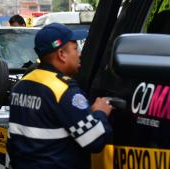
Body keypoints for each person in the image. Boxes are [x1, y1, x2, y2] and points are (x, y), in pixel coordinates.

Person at [7, 23, 113, 169]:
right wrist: (100, 112)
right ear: (61, 54)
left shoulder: (21, 85)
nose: (79, 54)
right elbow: (95, 140)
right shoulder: (63, 91)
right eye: (75, 49)